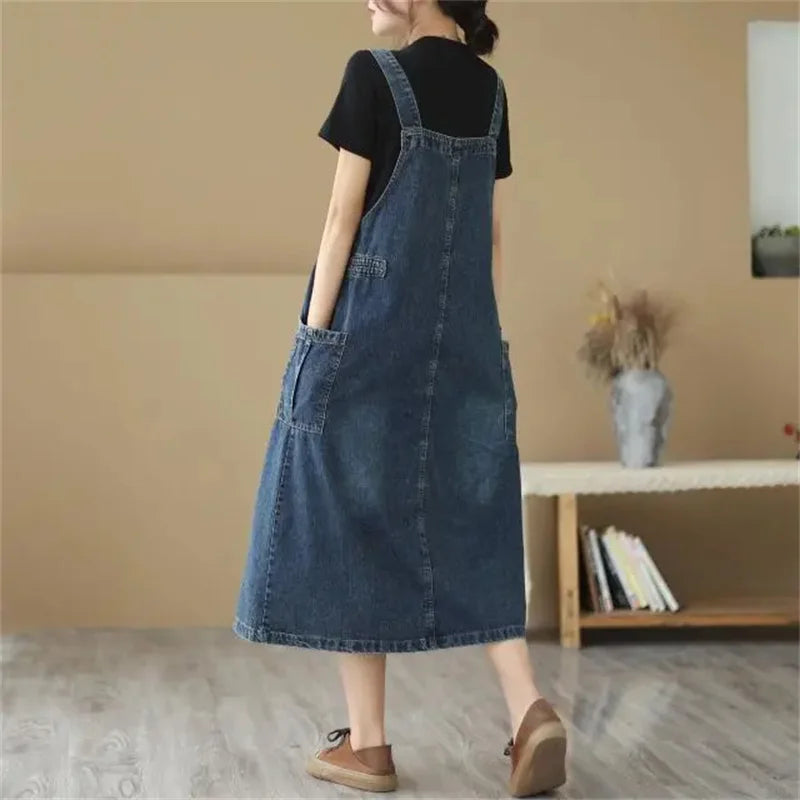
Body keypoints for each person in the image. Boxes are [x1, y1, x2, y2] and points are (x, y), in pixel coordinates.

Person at [232, 0, 568, 795]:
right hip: (467, 340)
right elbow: (486, 235)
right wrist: (483, 342)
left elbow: (342, 216)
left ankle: (371, 744)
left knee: (349, 510)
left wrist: (314, 338)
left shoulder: (371, 74)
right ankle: (528, 710)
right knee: (472, 514)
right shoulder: (491, 91)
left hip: (369, 334)